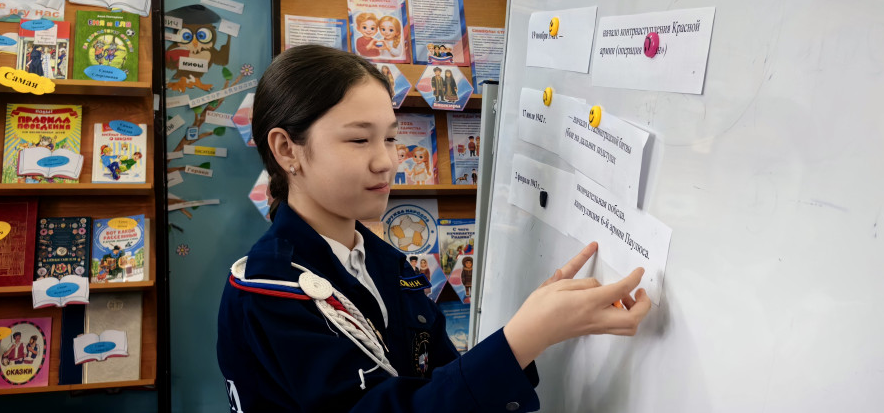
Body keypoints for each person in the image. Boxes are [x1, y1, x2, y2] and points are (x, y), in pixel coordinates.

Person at [216, 45, 650, 412]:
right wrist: (524, 338)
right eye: (359, 140)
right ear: (286, 149)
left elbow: (435, 377)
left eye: (390, 138)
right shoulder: (269, 292)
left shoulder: (382, 262)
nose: (386, 161)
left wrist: (539, 322)